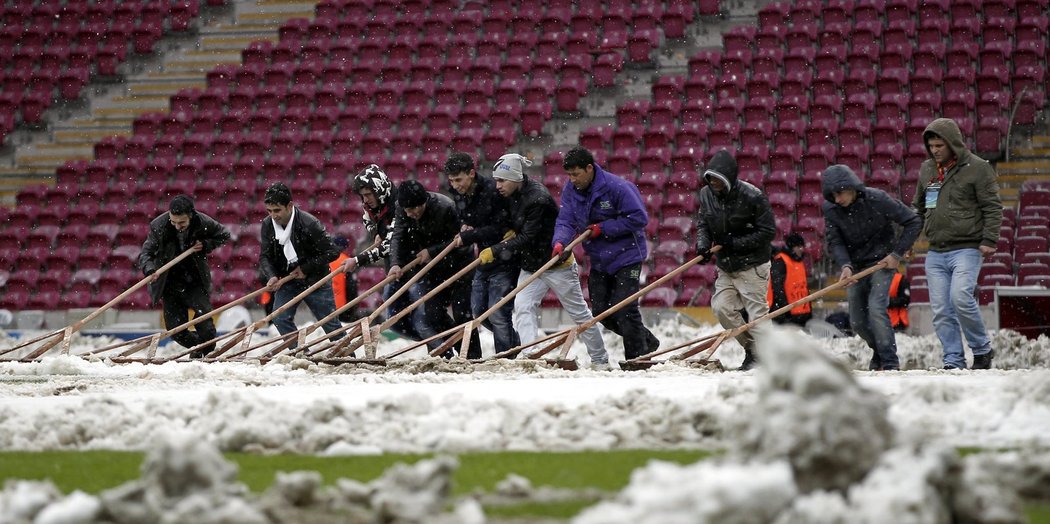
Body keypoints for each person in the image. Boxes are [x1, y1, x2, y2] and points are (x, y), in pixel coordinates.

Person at [484, 153, 611, 368]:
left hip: (555, 264)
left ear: (515, 178)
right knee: (523, 307)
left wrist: (495, 250)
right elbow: (510, 222)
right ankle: (531, 355)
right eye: (496, 180)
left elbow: (527, 238)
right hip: (531, 264)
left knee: (579, 313)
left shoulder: (538, 199)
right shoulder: (509, 195)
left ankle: (600, 359)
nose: (497, 186)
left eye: (501, 180)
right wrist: (508, 229)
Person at [912, 118, 1003, 370]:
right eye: (931, 145)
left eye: (940, 144)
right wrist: (908, 241)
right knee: (941, 310)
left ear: (953, 143)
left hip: (967, 248)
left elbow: (992, 207)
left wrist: (989, 238)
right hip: (935, 251)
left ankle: (982, 350)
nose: (935, 150)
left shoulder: (978, 168)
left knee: (960, 297)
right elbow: (918, 208)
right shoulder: (927, 170)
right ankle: (953, 360)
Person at [553, 146, 659, 360]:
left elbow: (639, 218)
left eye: (576, 174)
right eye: (569, 175)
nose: (572, 179)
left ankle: (636, 359)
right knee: (601, 312)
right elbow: (565, 220)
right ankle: (646, 340)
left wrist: (604, 228)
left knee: (625, 309)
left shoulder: (617, 187)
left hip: (627, 256)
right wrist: (560, 242)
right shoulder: (570, 191)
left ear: (589, 168)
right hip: (599, 260)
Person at [822, 164, 921, 371]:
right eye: (833, 195)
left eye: (840, 193)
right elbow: (836, 242)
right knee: (857, 321)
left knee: (876, 308)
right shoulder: (831, 209)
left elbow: (912, 221)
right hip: (856, 266)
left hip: (882, 262)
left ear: (851, 188)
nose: (837, 199)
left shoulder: (877, 199)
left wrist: (897, 254)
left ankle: (889, 362)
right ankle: (879, 350)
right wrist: (846, 266)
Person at [695, 150, 777, 371]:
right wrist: (703, 246)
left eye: (718, 180)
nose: (714, 183)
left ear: (729, 178)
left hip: (753, 265)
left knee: (757, 316)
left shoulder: (753, 196)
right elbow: (703, 223)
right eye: (711, 179)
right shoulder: (706, 194)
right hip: (726, 266)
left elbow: (768, 232)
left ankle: (769, 358)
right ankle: (753, 350)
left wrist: (734, 242)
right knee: (722, 308)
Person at [388, 180, 481, 358]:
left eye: (415, 209)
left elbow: (460, 242)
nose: (411, 214)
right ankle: (443, 356)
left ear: (423, 202)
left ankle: (473, 357)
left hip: (460, 265)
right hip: (432, 268)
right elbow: (398, 236)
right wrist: (395, 263)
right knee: (432, 314)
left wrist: (432, 251)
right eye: (407, 210)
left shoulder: (445, 207)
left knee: (462, 314)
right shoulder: (403, 208)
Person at [445, 152, 521, 356]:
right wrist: (465, 225)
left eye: (458, 179)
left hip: (504, 256)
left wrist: (470, 236)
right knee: (479, 311)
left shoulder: (492, 191)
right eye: (451, 181)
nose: (455, 185)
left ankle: (505, 357)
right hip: (483, 258)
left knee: (497, 313)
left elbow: (500, 228)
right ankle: (514, 343)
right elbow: (468, 218)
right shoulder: (457, 192)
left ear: (471, 173)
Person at [139, 194, 231, 359]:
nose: (176, 226)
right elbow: (146, 253)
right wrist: (150, 269)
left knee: (206, 326)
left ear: (191, 215)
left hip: (194, 280)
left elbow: (224, 235)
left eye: (181, 222)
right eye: (173, 222)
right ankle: (199, 348)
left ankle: (208, 353)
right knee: (176, 331)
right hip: (169, 282)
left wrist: (205, 245)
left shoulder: (202, 222)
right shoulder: (158, 226)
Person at [342, 164, 421, 341]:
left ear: (380, 189)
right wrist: (375, 232)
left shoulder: (399, 204)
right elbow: (367, 219)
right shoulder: (371, 206)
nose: (365, 200)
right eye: (362, 196)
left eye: (369, 194)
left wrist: (357, 260)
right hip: (393, 268)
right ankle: (425, 340)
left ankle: (438, 345)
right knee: (395, 319)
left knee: (423, 315)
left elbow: (391, 245)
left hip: (415, 264)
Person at [258, 182, 344, 344]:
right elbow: (265, 256)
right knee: (279, 318)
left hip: (316, 279)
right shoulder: (267, 224)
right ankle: (300, 354)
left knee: (330, 324)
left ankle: (349, 356)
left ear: (290, 205)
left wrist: (306, 268)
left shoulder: (309, 223)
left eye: (277, 210)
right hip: (287, 279)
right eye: (269, 211)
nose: (273, 215)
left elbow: (332, 252)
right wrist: (271, 275)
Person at [767, 232, 812, 327]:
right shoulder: (781, 261)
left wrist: (809, 311)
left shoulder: (799, 262)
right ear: (791, 248)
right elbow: (778, 289)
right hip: (787, 316)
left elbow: (805, 288)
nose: (801, 249)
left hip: (800, 313)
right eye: (798, 247)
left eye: (802, 246)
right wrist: (785, 311)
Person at [329, 237, 359, 322]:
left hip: (327, 303)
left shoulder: (327, 260)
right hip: (342, 305)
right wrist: (353, 304)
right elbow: (351, 286)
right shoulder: (346, 262)